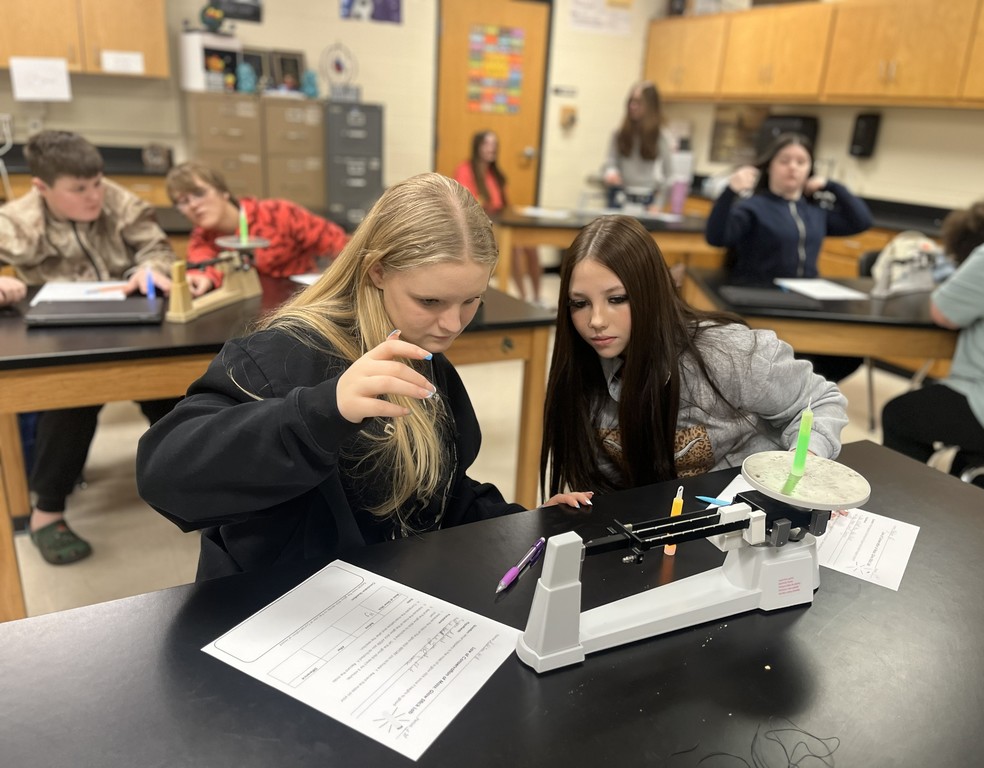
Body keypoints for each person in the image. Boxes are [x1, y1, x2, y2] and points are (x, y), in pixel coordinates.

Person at [137, 172, 591, 580]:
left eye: (471, 300)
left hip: (384, 596)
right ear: (377, 270)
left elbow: (439, 494)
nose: (453, 325)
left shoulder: (423, 354)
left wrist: (522, 525)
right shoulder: (279, 355)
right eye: (430, 302)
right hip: (285, 607)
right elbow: (165, 475)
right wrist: (322, 412)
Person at [0, 130, 211, 565]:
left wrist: (148, 269)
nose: (94, 195)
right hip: (61, 337)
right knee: (69, 403)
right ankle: (46, 512)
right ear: (41, 188)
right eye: (79, 189)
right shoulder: (16, 220)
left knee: (177, 403)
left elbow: (156, 247)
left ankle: (204, 492)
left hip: (138, 328)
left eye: (97, 182)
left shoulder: (120, 202)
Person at [541, 215, 848, 497]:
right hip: (665, 525)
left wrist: (803, 463)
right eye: (579, 304)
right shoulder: (581, 372)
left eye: (617, 299)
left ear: (651, 292)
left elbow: (820, 401)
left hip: (755, 515)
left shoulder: (729, 354)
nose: (596, 321)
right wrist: (584, 507)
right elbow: (606, 486)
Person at [704, 132, 873, 383]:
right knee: (788, 361)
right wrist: (730, 191)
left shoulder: (815, 211)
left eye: (801, 162)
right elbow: (717, 237)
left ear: (809, 170)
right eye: (784, 161)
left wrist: (831, 185)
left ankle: (802, 393)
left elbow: (861, 221)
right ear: (770, 166)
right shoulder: (753, 207)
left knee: (849, 354)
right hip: (764, 299)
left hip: (808, 301)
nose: (793, 167)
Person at [882, 196, 984, 489]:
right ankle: (965, 497)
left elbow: (943, 314)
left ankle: (901, 501)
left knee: (900, 416)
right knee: (970, 447)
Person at [165, 161, 348, 293]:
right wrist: (199, 278)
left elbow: (339, 244)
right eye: (183, 202)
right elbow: (202, 266)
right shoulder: (201, 237)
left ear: (223, 192)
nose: (193, 205)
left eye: (199, 193)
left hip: (301, 306)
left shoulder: (278, 213)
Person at [453, 130, 543, 305]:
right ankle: (523, 298)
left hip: (502, 220)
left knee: (531, 245)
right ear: (477, 147)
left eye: (494, 145)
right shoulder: (465, 170)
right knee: (515, 247)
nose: (491, 148)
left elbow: (503, 203)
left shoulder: (495, 173)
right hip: (482, 224)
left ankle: (537, 297)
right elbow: (466, 202)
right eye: (486, 144)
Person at [601, 81, 674, 211]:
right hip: (620, 197)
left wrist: (659, 204)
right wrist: (611, 173)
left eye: (639, 102)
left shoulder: (661, 136)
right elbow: (610, 162)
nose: (633, 106)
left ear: (651, 105)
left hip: (647, 200)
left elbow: (669, 175)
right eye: (631, 101)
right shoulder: (619, 133)